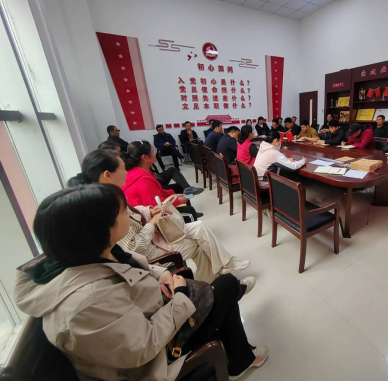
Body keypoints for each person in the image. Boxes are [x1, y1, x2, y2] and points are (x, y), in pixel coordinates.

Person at [15, 184, 268, 381]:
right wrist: (180, 298)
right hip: (158, 357)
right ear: (100, 229)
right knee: (226, 286)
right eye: (122, 210)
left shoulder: (84, 256)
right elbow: (144, 347)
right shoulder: (88, 303)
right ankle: (240, 358)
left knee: (222, 290)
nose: (129, 213)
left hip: (157, 313)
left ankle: (240, 355)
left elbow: (131, 267)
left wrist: (161, 274)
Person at [68, 150, 250, 283]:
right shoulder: (107, 206)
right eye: (123, 168)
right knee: (200, 245)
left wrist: (149, 211)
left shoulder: (110, 194)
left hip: (151, 236)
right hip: (148, 250)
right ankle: (215, 278)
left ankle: (220, 270)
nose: (126, 172)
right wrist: (153, 221)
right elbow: (134, 246)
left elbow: (134, 212)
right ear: (107, 174)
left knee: (199, 227)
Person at [121, 141, 203, 220]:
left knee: (180, 191)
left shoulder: (141, 170)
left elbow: (158, 193)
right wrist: (177, 201)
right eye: (153, 152)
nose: (155, 154)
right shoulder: (142, 179)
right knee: (190, 211)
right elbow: (155, 206)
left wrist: (174, 195)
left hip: (149, 207)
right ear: (144, 157)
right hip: (145, 216)